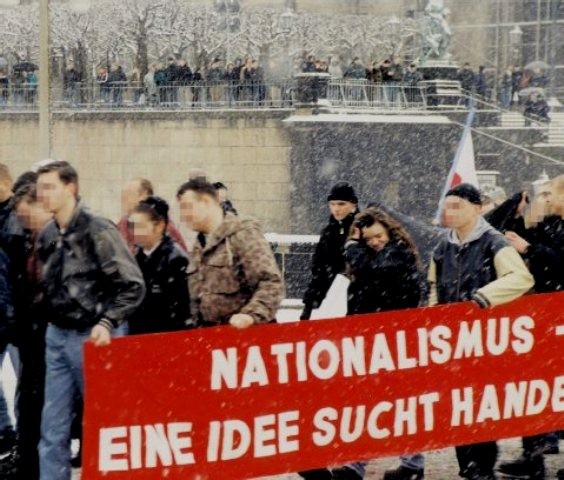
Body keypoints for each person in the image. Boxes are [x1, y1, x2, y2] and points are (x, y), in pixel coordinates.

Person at [35, 161, 145, 480]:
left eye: (50, 187)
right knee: (52, 426)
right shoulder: (48, 233)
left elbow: (132, 284)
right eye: (40, 188)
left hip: (95, 335)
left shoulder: (98, 229)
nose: (43, 194)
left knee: (108, 424)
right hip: (58, 334)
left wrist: (108, 321)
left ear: (71, 187)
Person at [428, 183, 534, 480]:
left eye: (457, 206)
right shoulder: (442, 247)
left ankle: (482, 468)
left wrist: (483, 298)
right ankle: (469, 467)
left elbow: (520, 278)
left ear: (477, 208)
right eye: (447, 206)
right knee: (458, 407)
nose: (450, 212)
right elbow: (434, 287)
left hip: (487, 341)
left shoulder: (493, 242)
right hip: (452, 341)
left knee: (481, 407)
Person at [334, 207, 423, 480]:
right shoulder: (368, 261)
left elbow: (377, 269)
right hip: (370, 341)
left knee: (399, 404)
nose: (374, 242)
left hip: (396, 341)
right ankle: (357, 464)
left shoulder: (397, 254)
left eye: (378, 236)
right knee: (365, 403)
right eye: (368, 239)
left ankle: (412, 464)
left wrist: (351, 247)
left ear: (390, 232)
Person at [496, 174, 564, 480]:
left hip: (556, 314)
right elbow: (527, 242)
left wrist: (529, 249)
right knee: (535, 387)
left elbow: (557, 261)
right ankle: (532, 455)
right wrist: (518, 210)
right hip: (543, 314)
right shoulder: (551, 224)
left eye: (551, 192)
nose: (545, 197)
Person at [176, 178, 283, 328]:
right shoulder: (199, 247)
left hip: (245, 340)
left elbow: (271, 283)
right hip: (210, 340)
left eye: (187, 208)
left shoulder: (242, 234)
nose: (184, 216)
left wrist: (250, 316)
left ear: (206, 202)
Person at [1, 178, 52, 480]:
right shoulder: (30, 240)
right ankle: (27, 458)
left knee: (41, 402)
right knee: (28, 399)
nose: (23, 223)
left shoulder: (52, 240)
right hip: (29, 332)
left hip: (44, 334)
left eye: (26, 216)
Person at [128, 196, 191, 335]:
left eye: (141, 227)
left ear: (160, 225)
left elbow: (182, 310)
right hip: (137, 336)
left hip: (164, 337)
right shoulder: (136, 257)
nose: (135, 232)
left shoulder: (176, 259)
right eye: (133, 226)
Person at [300, 182, 359, 320]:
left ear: (353, 205)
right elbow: (320, 269)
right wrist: (309, 305)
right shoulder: (328, 232)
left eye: (341, 204)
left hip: (358, 297)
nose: (336, 209)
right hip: (333, 299)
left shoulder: (362, 227)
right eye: (332, 204)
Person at [118, 177, 187, 253]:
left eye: (128, 194)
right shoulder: (123, 223)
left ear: (144, 196)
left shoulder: (163, 226)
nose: (123, 198)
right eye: (123, 194)